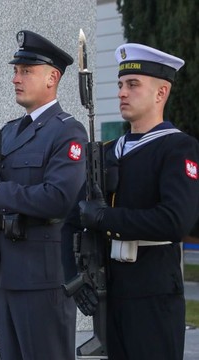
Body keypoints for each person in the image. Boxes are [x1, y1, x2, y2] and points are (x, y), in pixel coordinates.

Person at [0, 30, 86, 360]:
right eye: (16, 70)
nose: (16, 78)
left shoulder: (68, 132)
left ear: (52, 77)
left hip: (43, 279)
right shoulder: (8, 132)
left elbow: (59, 197)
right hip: (4, 276)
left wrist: (0, 192)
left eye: (26, 71)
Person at [78, 43, 199, 360]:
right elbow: (76, 217)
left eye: (132, 85)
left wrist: (106, 219)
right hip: (111, 291)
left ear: (161, 94)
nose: (121, 92)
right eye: (120, 85)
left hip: (153, 292)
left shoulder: (177, 148)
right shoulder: (106, 153)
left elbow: (175, 221)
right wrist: (75, 277)